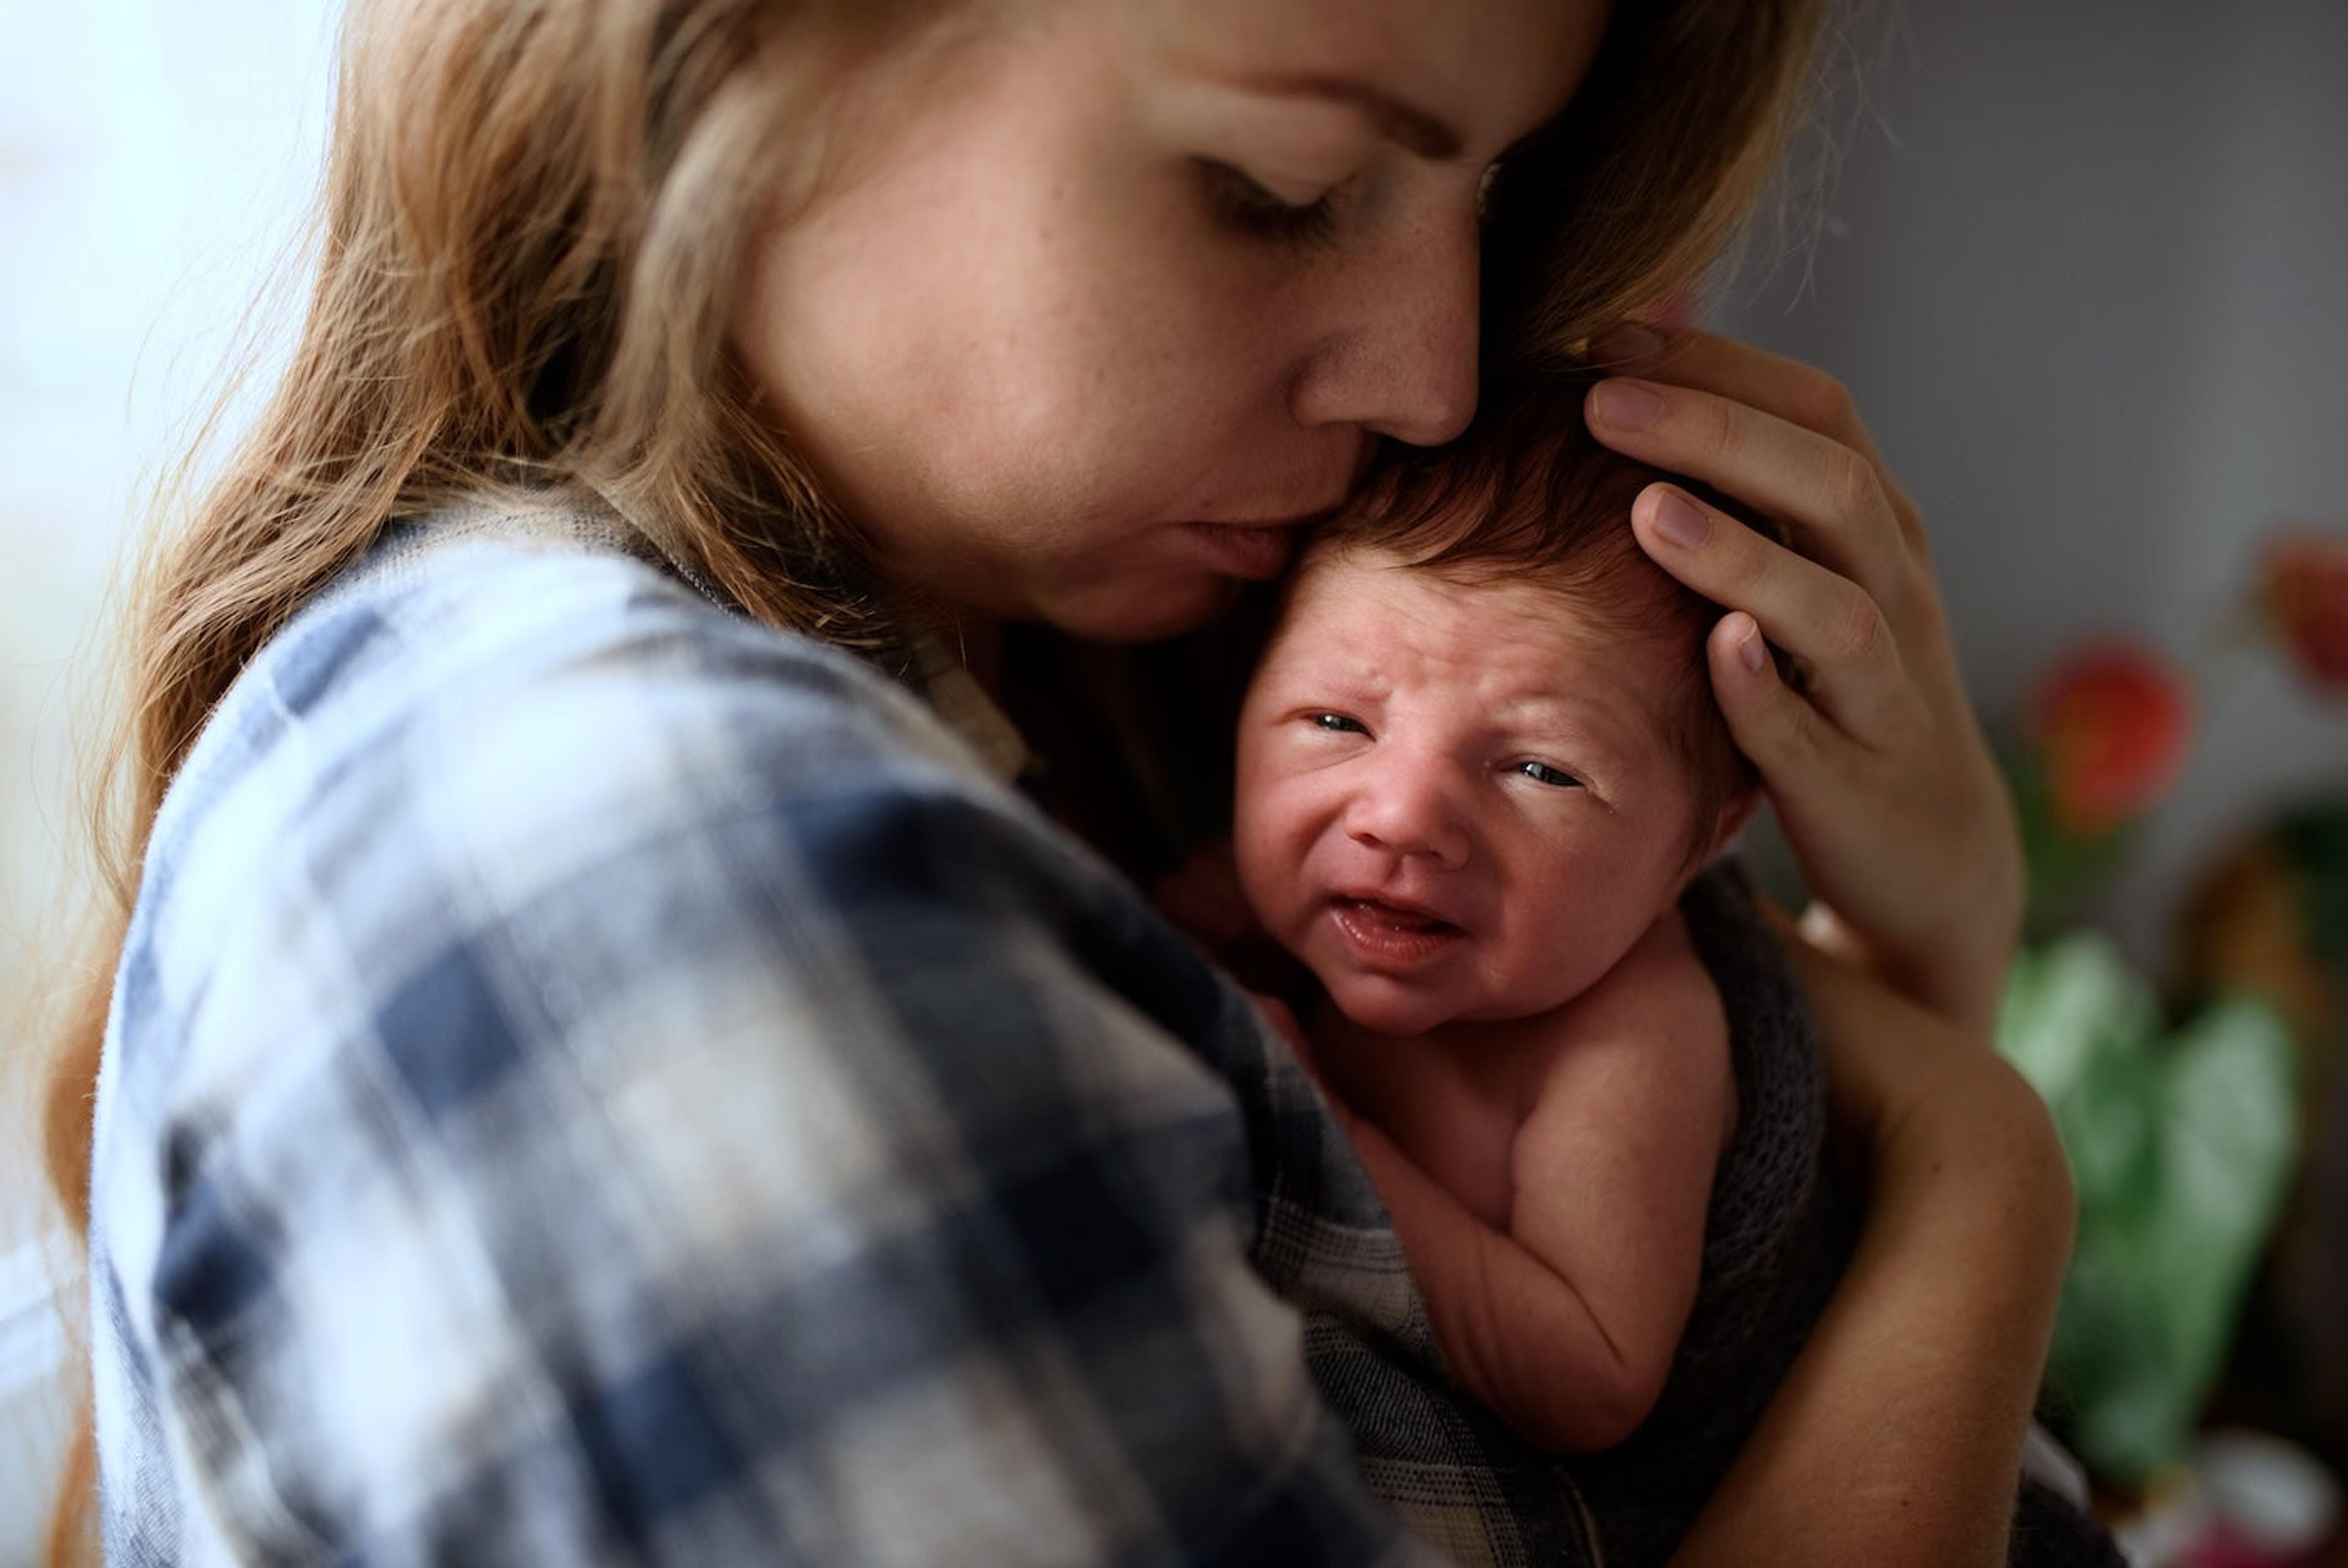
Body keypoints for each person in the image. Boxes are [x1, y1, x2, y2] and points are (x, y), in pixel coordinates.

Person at [37, 1, 2082, 1564]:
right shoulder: (655, 870)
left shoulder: (1064, 718)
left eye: (1494, 199)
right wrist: (1980, 1174)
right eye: (1276, 189)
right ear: (754, 55)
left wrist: (1918, 933)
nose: (1438, 379)